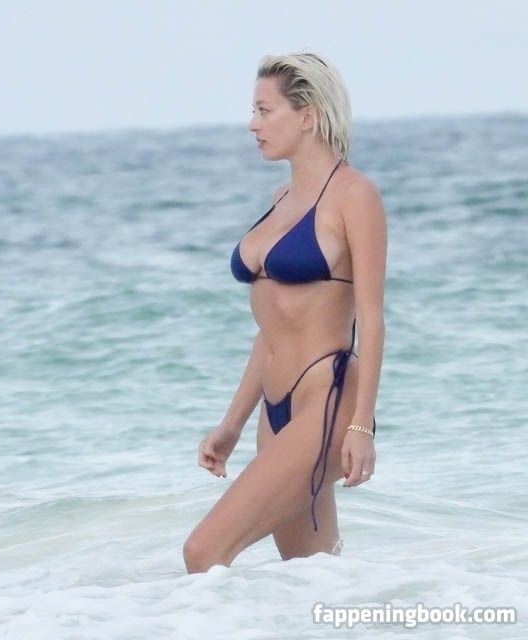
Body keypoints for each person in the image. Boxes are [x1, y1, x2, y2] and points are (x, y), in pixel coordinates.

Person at [183, 53, 386, 572]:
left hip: (328, 399)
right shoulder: (281, 199)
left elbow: (371, 317)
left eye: (264, 110)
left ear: (307, 115)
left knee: (203, 552)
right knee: (312, 572)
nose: (252, 125)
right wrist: (232, 423)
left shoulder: (354, 196)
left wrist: (362, 426)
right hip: (276, 411)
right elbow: (271, 330)